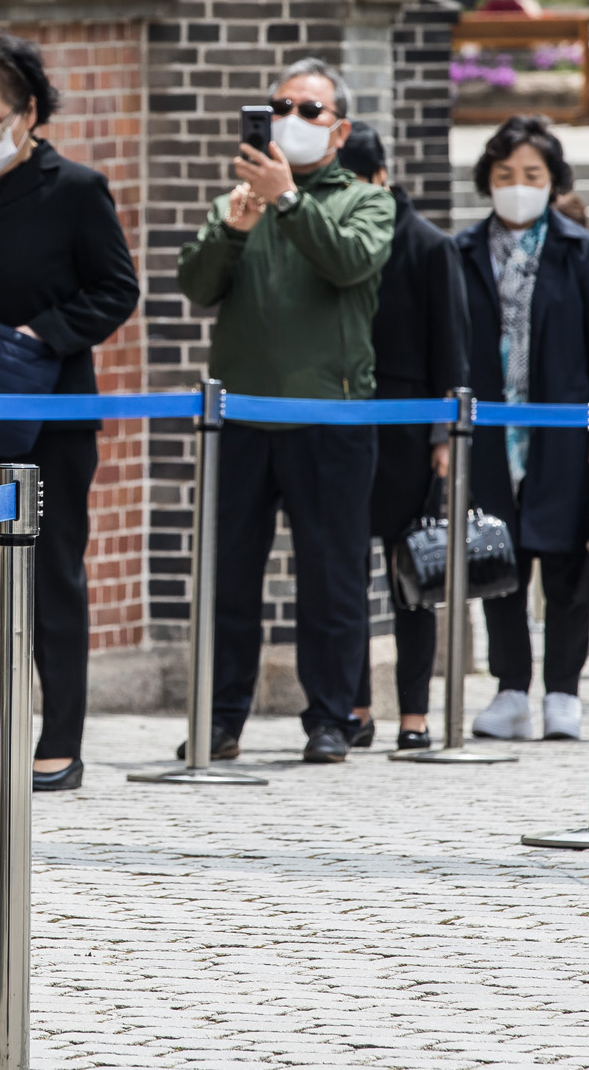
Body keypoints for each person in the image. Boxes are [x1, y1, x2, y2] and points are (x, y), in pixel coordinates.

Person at [0, 29, 138, 791]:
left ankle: (59, 744)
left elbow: (117, 288)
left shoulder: (76, 189)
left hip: (53, 416)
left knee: (50, 578)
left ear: (30, 113)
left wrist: (43, 333)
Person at [176, 58, 394, 764]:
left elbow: (350, 262)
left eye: (309, 109)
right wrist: (235, 228)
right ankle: (219, 718)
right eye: (280, 107)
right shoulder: (236, 200)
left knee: (331, 578)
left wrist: (291, 200)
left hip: (332, 417)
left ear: (340, 131)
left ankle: (331, 716)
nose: (291, 119)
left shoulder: (365, 201)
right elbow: (196, 285)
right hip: (241, 415)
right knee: (228, 577)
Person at [455, 116, 589, 742]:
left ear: (553, 180)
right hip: (490, 432)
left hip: (565, 430)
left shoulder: (578, 249)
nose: (518, 185)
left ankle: (562, 691)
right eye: (505, 174)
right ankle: (509, 689)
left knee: (566, 563)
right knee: (497, 558)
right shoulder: (464, 251)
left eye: (532, 174)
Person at [341, 122, 468, 752]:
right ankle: (354, 708)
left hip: (411, 427)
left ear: (381, 178)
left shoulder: (428, 245)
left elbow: (453, 349)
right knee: (343, 574)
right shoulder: (331, 240)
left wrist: (443, 433)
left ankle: (414, 714)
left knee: (412, 575)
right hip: (343, 418)